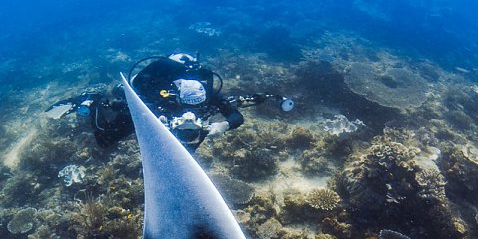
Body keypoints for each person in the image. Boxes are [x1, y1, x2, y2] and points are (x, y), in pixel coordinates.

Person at [47, 52, 294, 151]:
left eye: (197, 105)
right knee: (105, 140)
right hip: (150, 110)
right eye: (187, 104)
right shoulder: (159, 98)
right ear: (176, 96)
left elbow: (238, 111)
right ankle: (92, 101)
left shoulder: (209, 98)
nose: (191, 111)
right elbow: (126, 105)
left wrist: (222, 126)